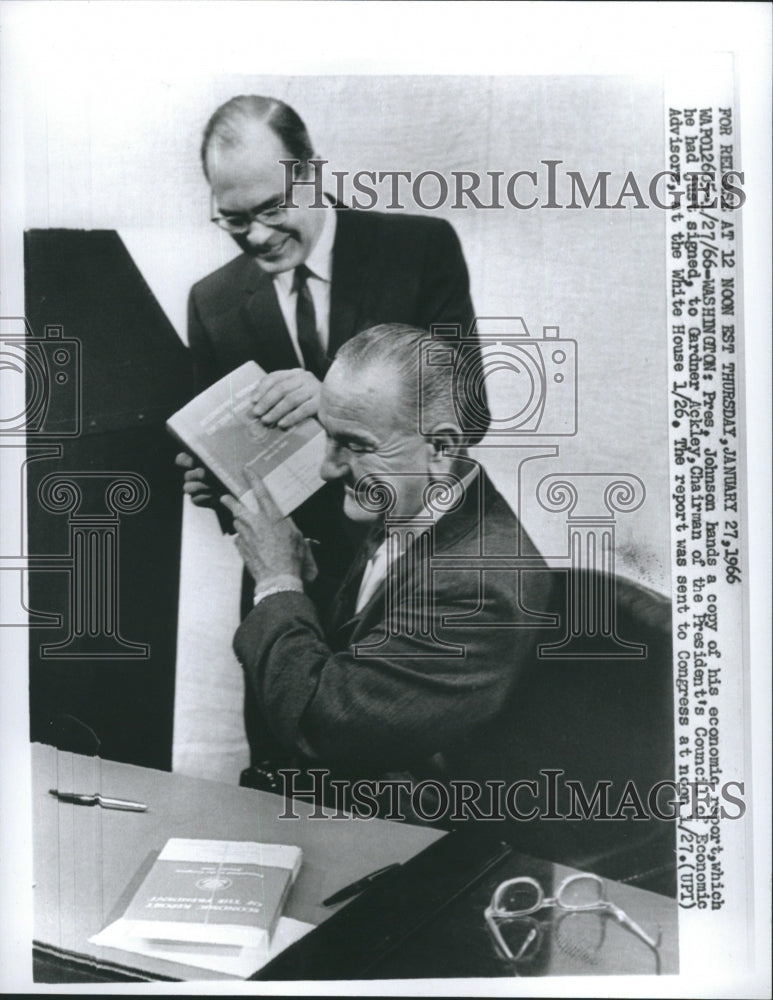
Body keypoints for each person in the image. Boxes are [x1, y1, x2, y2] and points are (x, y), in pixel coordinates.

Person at [177, 94, 489, 777]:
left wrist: (334, 403)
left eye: (270, 210)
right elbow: (238, 475)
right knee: (282, 793)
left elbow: (465, 416)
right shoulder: (213, 299)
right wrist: (211, 480)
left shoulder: (417, 247)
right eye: (232, 220)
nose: (255, 236)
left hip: (413, 581)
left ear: (312, 175)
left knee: (415, 808)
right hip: (288, 587)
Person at [222, 324, 553, 813]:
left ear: (441, 448)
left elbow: (329, 728)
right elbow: (377, 640)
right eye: (328, 437)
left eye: (355, 445)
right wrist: (308, 584)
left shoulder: (480, 586)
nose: (328, 469)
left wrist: (277, 584)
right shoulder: (414, 505)